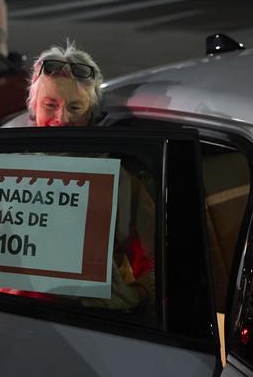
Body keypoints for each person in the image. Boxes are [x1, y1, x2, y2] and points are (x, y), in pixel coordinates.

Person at [25, 41, 154, 310]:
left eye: (75, 108)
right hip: (11, 317)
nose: (62, 118)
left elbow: (160, 258)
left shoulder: (116, 181)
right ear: (33, 107)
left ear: (91, 113)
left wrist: (138, 295)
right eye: (50, 105)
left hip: (90, 322)